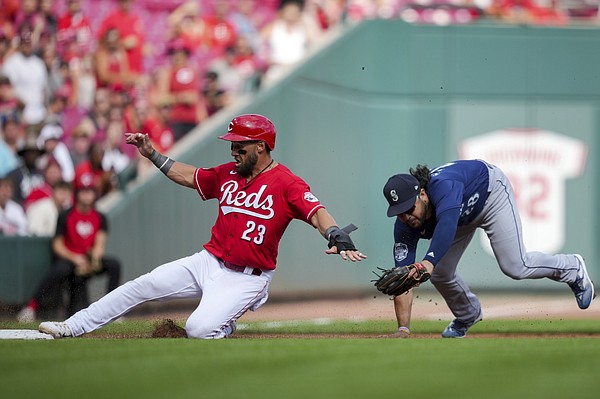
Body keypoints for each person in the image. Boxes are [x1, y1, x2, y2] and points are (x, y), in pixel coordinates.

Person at [38, 113, 367, 339]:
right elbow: (188, 175)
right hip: (208, 261)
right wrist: (152, 154)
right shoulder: (228, 172)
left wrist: (334, 233)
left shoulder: (286, 183)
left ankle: (224, 325)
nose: (233, 150)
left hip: (248, 277)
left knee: (197, 330)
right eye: (232, 144)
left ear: (262, 146)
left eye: (240, 145)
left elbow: (316, 211)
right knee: (142, 285)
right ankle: (74, 326)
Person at [382, 160, 595, 338]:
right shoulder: (404, 228)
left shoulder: (443, 186)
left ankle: (572, 268)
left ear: (423, 194)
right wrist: (403, 328)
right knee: (440, 274)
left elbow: (446, 224)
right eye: (399, 212)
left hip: (491, 196)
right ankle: (468, 315)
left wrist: (427, 262)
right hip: (460, 217)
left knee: (516, 266)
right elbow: (402, 281)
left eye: (409, 208)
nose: (405, 216)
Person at [17, 173, 121, 322]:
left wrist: (94, 258)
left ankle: (113, 310)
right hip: (71, 259)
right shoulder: (65, 215)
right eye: (83, 191)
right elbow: (57, 244)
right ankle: (31, 307)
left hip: (88, 259)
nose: (87, 195)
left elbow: (100, 242)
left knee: (114, 265)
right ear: (77, 193)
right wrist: (75, 258)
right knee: (60, 270)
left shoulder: (100, 217)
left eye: (90, 191)